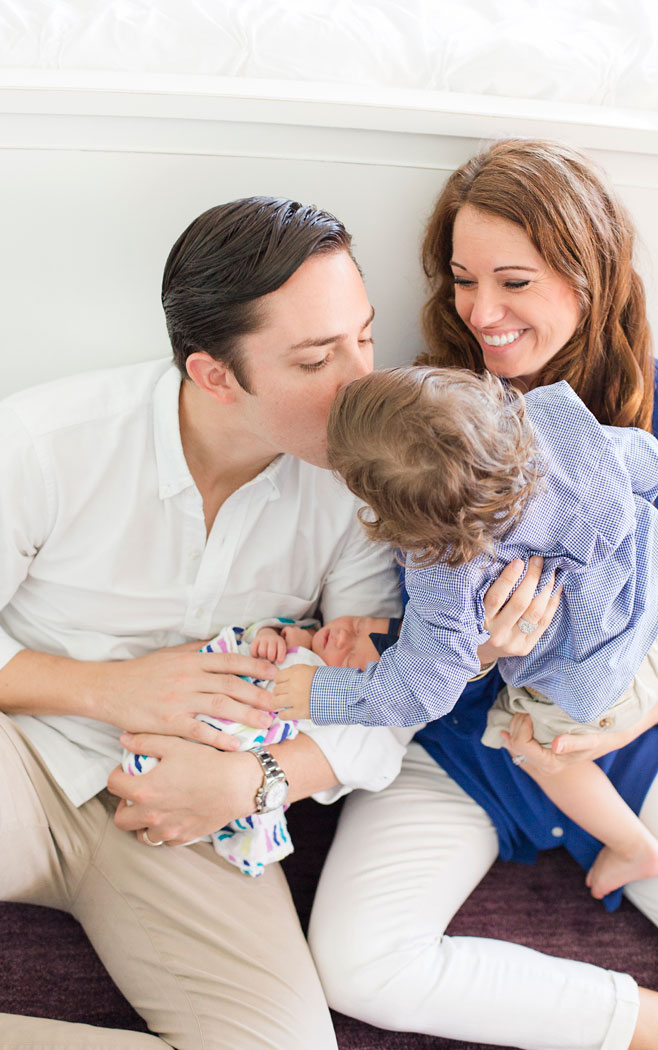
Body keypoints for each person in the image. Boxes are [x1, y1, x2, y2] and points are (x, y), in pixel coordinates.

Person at [0, 193, 553, 1050]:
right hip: (26, 754)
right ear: (215, 374)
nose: (361, 380)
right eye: (314, 360)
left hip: (201, 805)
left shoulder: (369, 481)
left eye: (364, 336)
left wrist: (259, 784)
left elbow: (385, 691)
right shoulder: (44, 443)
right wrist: (110, 691)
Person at [308, 140, 658, 1050]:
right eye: (462, 280)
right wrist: (398, 642)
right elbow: (407, 626)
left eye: (514, 282)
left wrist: (621, 723)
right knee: (357, 960)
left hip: (614, 734)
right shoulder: (417, 418)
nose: (482, 313)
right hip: (453, 745)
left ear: (589, 273)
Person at [276, 363, 658, 900]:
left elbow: (417, 690)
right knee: (654, 674)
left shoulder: (444, 573)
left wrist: (318, 692)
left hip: (596, 684)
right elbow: (648, 462)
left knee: (522, 740)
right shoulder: (553, 430)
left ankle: (634, 846)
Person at [122, 613, 401, 878]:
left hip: (243, 744)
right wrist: (270, 636)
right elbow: (257, 632)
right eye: (356, 624)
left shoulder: (333, 703)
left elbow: (340, 731)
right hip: (200, 702)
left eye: (350, 656)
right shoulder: (302, 633)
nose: (341, 637)